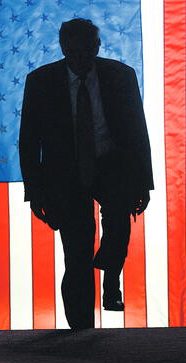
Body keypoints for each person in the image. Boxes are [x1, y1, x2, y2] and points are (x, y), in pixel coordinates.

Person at [19, 18, 154, 329]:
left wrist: (142, 184)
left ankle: (110, 278)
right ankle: (81, 329)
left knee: (118, 228)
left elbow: (137, 132)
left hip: (111, 165)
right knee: (77, 255)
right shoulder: (41, 81)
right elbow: (29, 140)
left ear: (97, 47)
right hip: (65, 175)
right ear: (63, 48)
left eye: (86, 51)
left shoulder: (121, 76)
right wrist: (35, 193)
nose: (80, 59)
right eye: (73, 52)